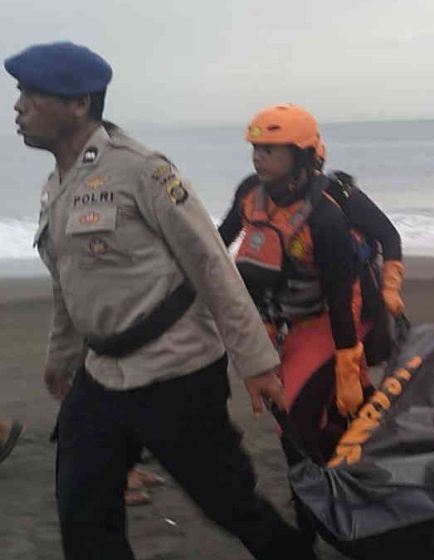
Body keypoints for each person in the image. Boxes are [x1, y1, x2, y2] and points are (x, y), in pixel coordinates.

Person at [5, 42, 315, 559]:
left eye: (32, 95)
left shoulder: (142, 171)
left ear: (79, 103)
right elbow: (71, 283)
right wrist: (61, 354)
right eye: (19, 94)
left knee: (229, 502)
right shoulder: (55, 188)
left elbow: (211, 263)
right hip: (101, 376)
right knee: (82, 510)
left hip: (176, 375)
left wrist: (256, 361)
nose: (18, 106)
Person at [221, 104, 373, 465]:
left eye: (269, 150)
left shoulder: (325, 216)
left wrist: (347, 364)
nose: (258, 158)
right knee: (290, 413)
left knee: (297, 415)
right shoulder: (249, 192)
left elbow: (339, 299)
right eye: (255, 149)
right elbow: (217, 244)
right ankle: (335, 464)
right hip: (271, 324)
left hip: (320, 321)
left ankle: (323, 484)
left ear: (301, 154)